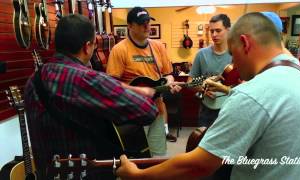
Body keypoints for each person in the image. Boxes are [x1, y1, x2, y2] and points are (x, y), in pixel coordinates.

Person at [116, 12, 300, 180]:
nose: (234, 66)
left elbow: (196, 166)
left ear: (244, 43)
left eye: (233, 53)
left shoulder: (251, 95)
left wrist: (137, 175)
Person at [24, 14, 159, 179]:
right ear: (87, 46)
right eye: (94, 44)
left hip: (47, 174)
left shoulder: (33, 80)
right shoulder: (87, 79)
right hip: (88, 173)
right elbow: (148, 111)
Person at [106, 7, 181, 155]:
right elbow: (111, 85)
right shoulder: (119, 50)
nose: (147, 26)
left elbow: (169, 74)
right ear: (130, 26)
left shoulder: (158, 46)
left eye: (148, 22)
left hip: (157, 112)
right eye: (141, 23)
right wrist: (139, 90)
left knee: (158, 156)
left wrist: (168, 82)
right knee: (137, 158)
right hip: (133, 116)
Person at [189, 14, 233, 127]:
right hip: (207, 111)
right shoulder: (202, 54)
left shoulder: (236, 54)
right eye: (212, 31)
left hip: (231, 109)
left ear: (228, 30)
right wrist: (203, 89)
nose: (214, 35)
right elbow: (190, 81)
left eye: (218, 31)